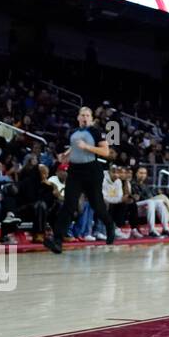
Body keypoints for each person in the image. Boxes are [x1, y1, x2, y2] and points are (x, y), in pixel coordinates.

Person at [48, 106, 115, 253]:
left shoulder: (96, 132)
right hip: (75, 172)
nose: (84, 118)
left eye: (87, 115)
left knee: (97, 205)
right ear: (78, 118)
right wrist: (64, 157)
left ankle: (110, 225)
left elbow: (105, 152)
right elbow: (74, 149)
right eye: (82, 115)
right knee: (68, 204)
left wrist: (87, 147)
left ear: (91, 118)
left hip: (92, 171)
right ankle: (57, 240)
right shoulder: (73, 133)